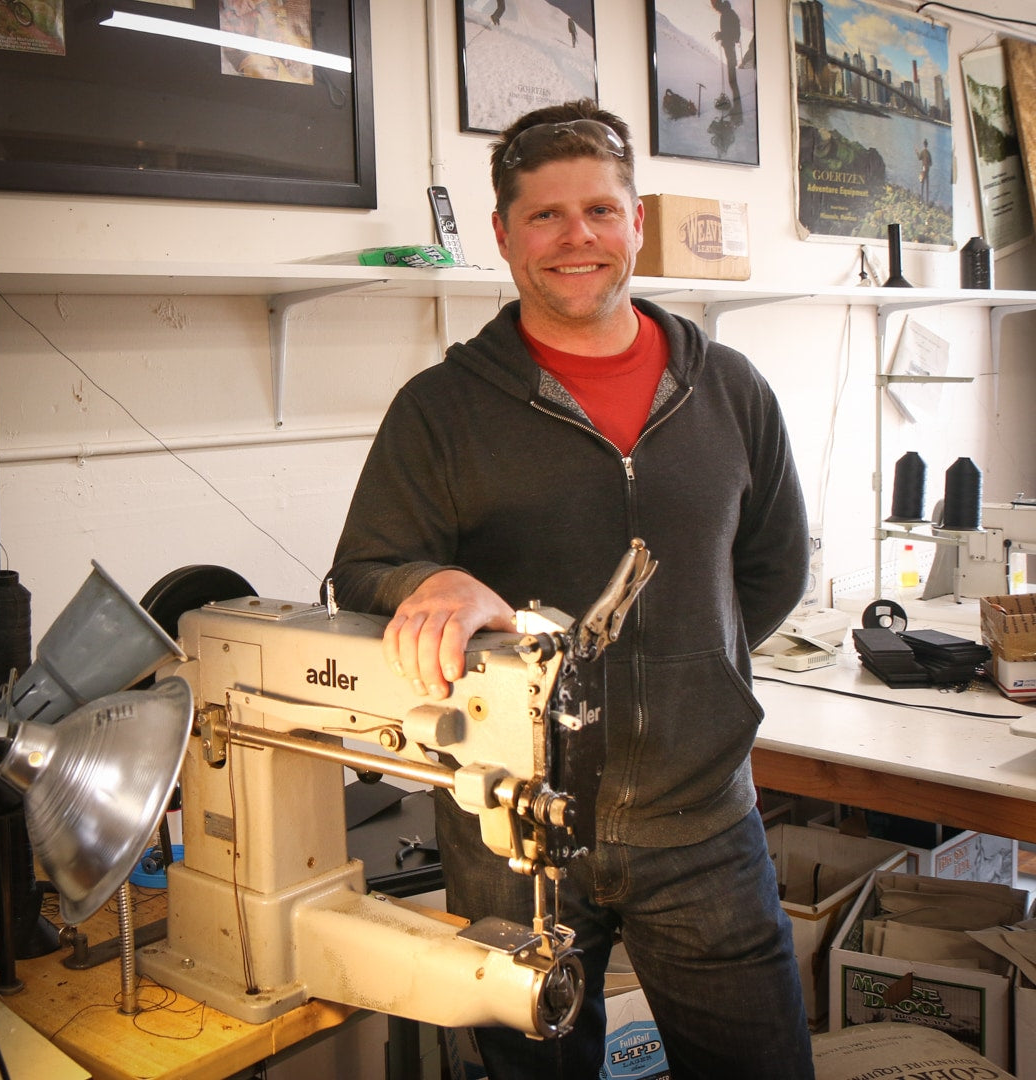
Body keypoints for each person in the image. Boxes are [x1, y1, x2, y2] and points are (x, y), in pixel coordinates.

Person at [326, 99, 814, 1079]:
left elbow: (770, 569)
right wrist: (438, 581)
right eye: (545, 216)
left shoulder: (733, 392)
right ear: (503, 234)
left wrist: (687, 674)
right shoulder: (442, 411)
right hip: (513, 836)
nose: (576, 237)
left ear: (638, 221)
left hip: (705, 827)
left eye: (599, 210)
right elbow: (364, 571)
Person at [712, 0, 742, 105]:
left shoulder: (727, 14)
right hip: (730, 50)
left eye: (715, 6)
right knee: (732, 81)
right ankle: (737, 109)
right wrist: (722, 35)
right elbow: (733, 34)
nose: (714, 8)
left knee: (732, 81)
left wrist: (721, 35)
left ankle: (738, 113)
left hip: (730, 51)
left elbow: (730, 34)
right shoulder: (728, 13)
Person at [917, 138, 932, 203]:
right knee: (927, 184)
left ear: (923, 145)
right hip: (927, 170)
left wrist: (917, 152)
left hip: (923, 169)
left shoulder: (923, 152)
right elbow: (931, 163)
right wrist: (927, 165)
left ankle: (921, 200)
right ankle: (927, 201)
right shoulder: (929, 153)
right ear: (927, 145)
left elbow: (919, 158)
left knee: (922, 184)